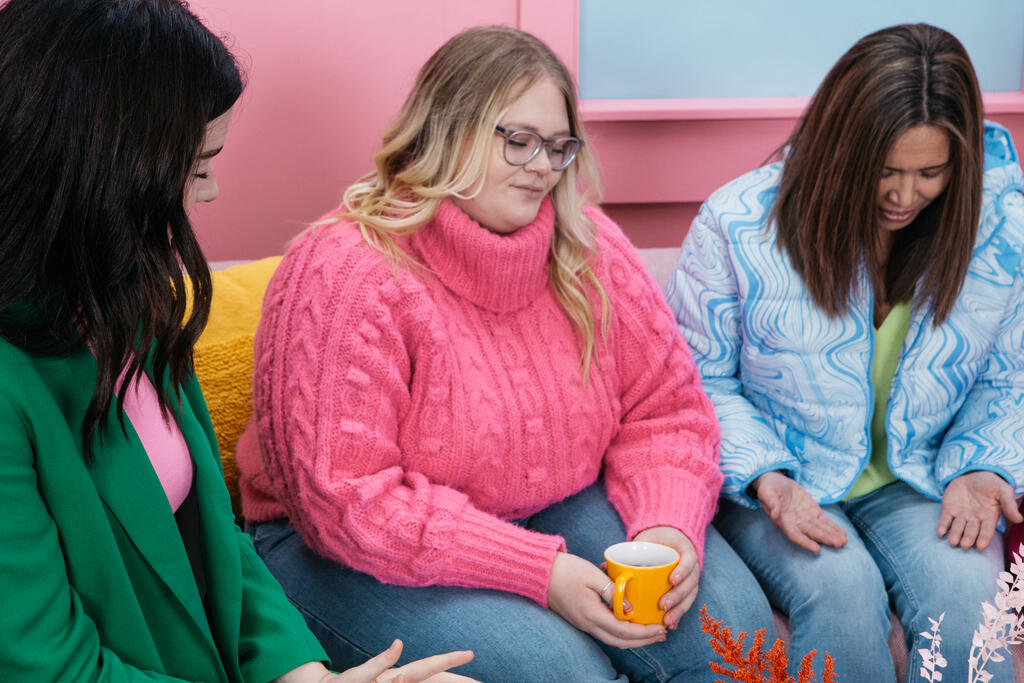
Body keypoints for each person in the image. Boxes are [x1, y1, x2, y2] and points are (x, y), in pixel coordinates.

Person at [236, 25, 774, 683]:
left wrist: (668, 526)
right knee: (562, 672)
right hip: (335, 546)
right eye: (519, 140)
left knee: (737, 637)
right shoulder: (346, 268)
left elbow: (667, 412)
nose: (545, 166)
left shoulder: (589, 247)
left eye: (557, 146)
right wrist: (542, 572)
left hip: (542, 502)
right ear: (446, 128)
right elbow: (348, 503)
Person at [0, 1, 474, 681]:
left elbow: (217, 544)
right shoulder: (14, 379)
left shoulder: (133, 302)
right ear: (98, 172)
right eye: (194, 169)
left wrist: (302, 673)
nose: (214, 191)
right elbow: (46, 666)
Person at [666, 23, 1024, 682]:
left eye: (930, 172)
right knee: (842, 591)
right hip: (781, 480)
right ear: (841, 146)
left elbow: (1013, 376)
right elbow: (695, 380)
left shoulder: (1002, 228)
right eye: (884, 170)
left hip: (922, 477)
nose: (903, 195)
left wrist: (986, 462)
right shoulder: (739, 222)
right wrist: (766, 476)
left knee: (969, 602)